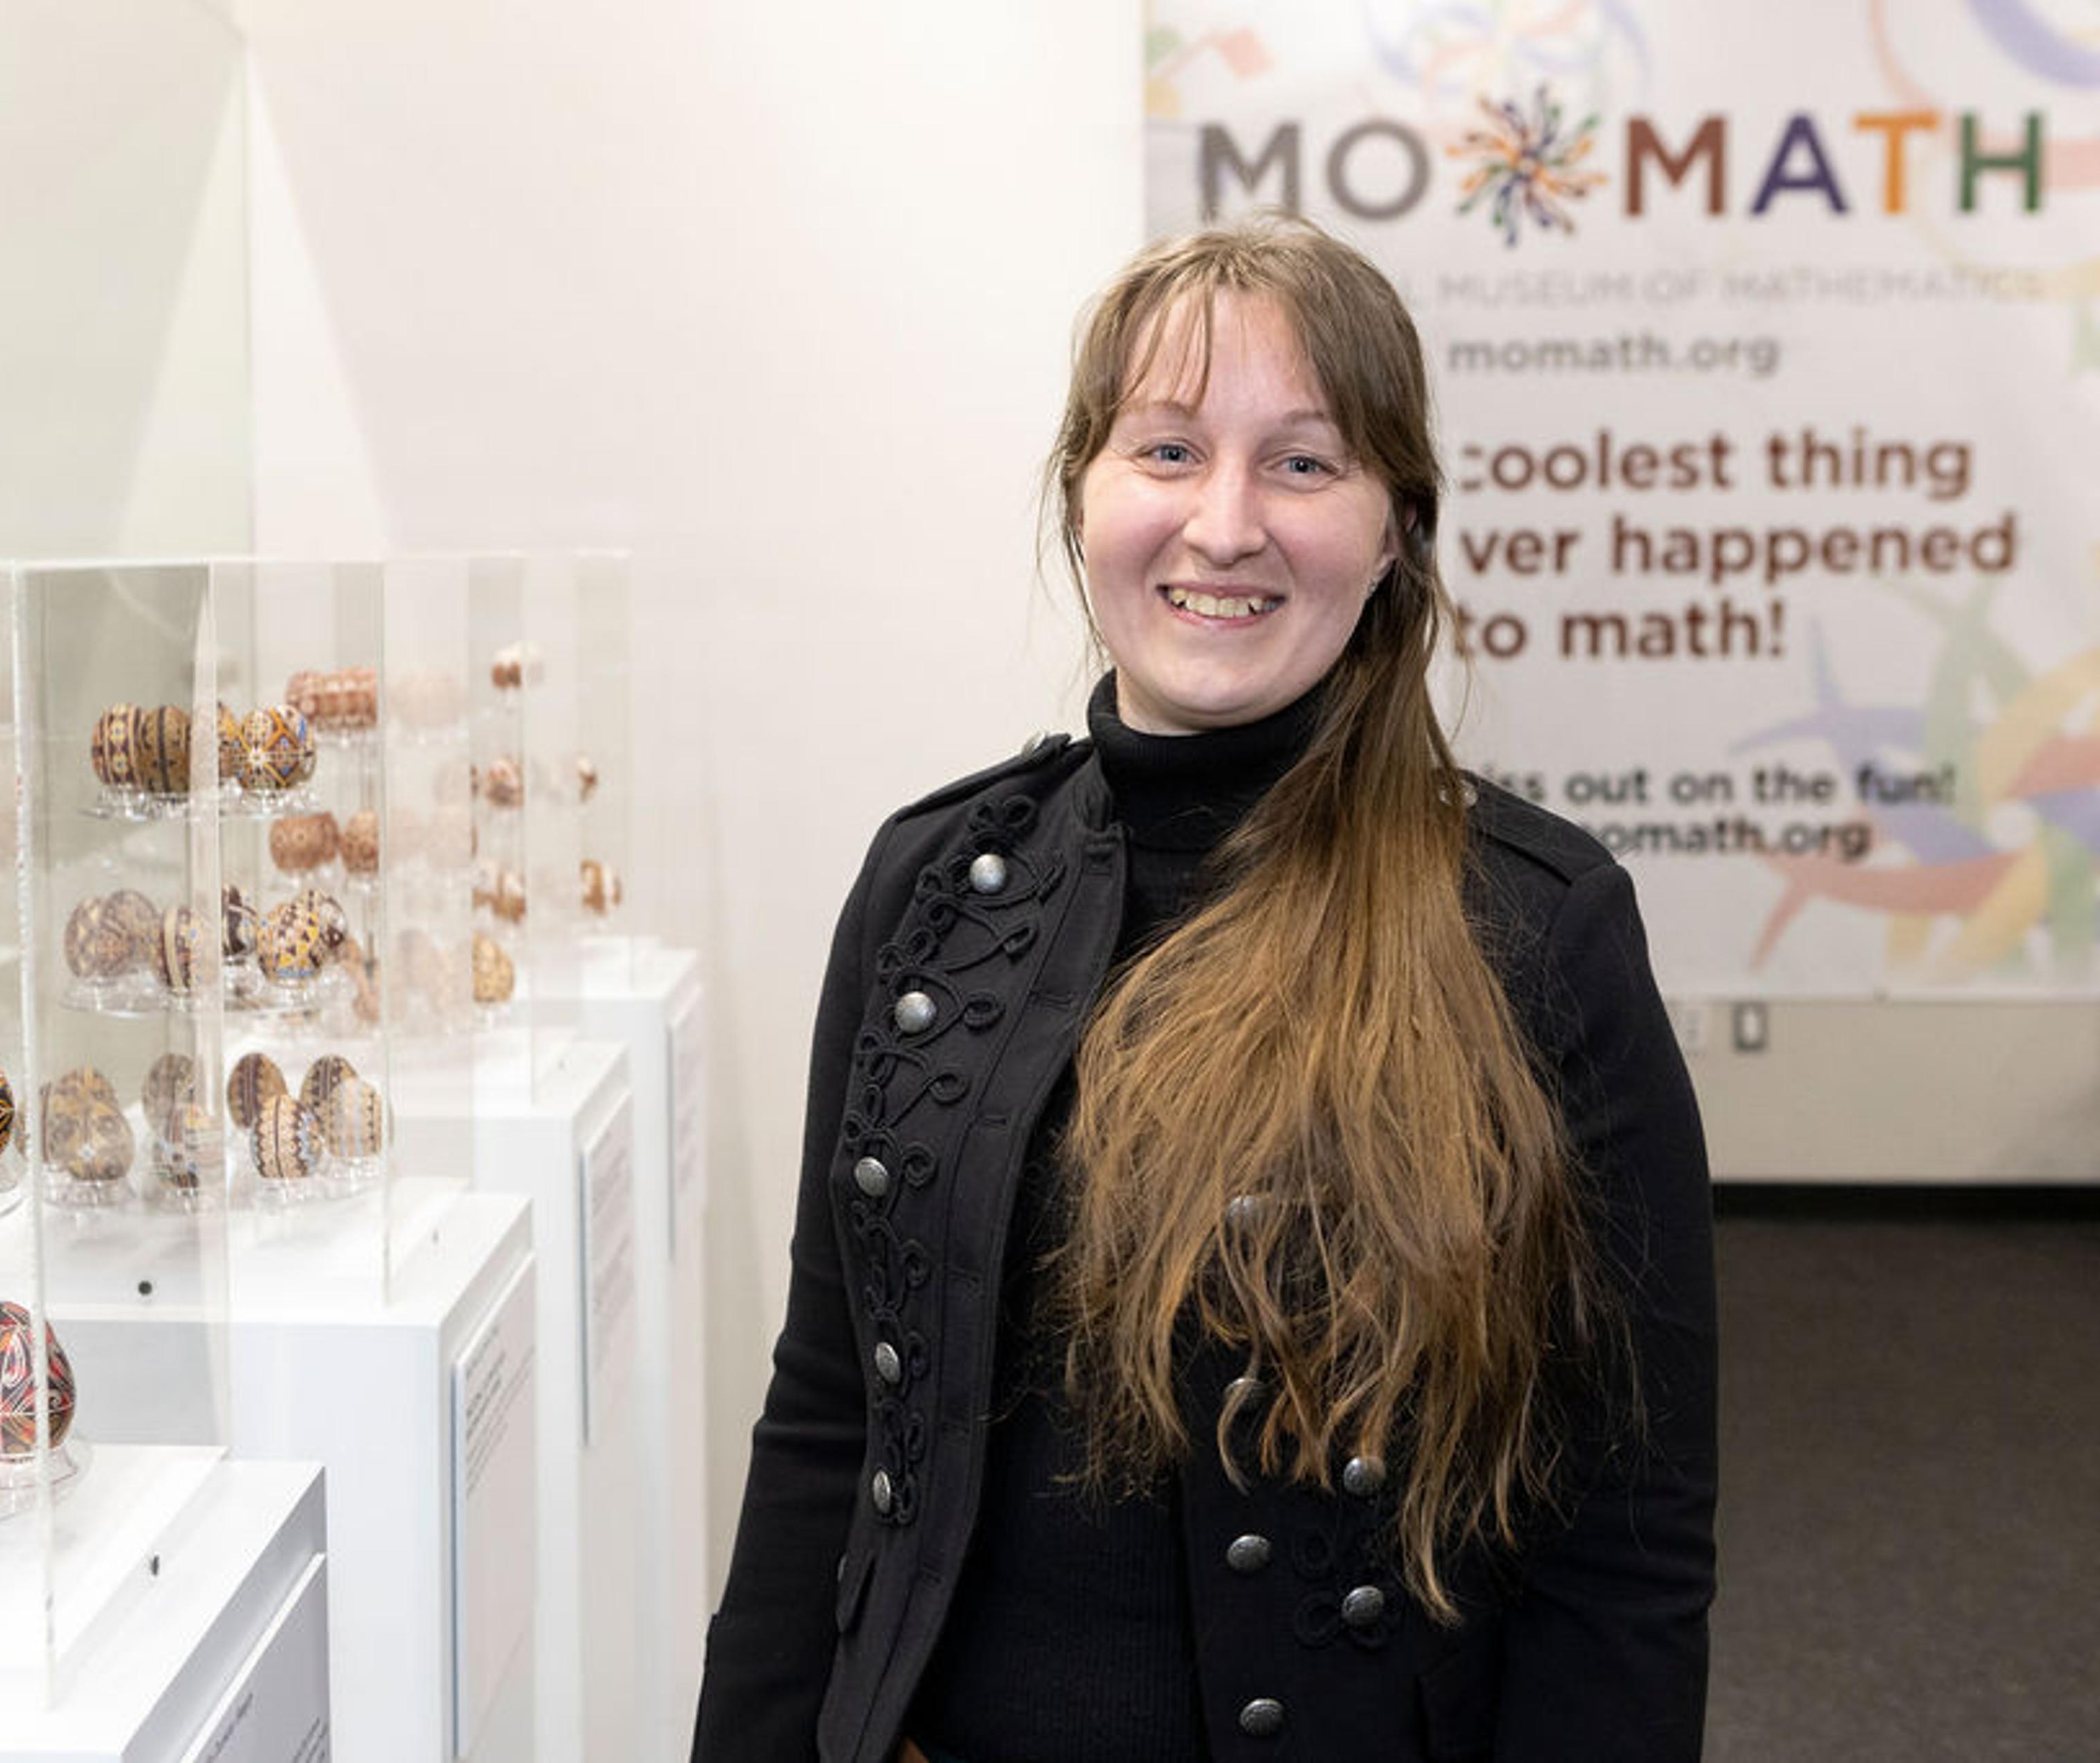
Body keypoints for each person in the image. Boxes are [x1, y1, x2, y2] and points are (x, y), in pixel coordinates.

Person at [691, 215, 1717, 1763]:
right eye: (1167, 451)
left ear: (1392, 532)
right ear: (1083, 497)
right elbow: (832, 1423)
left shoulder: (1534, 929)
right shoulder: (927, 892)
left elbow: (1625, 1548)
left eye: (1302, 465)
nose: (1223, 525)